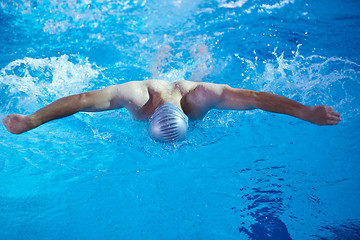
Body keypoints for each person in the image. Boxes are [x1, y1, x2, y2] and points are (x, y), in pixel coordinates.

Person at [2, 79, 341, 142]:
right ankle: (160, 60)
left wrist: (305, 112)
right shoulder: (135, 96)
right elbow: (82, 99)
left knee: (199, 71)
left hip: (188, 86)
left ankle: (199, 53)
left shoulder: (201, 96)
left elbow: (255, 98)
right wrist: (32, 120)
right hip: (152, 84)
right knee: (156, 69)